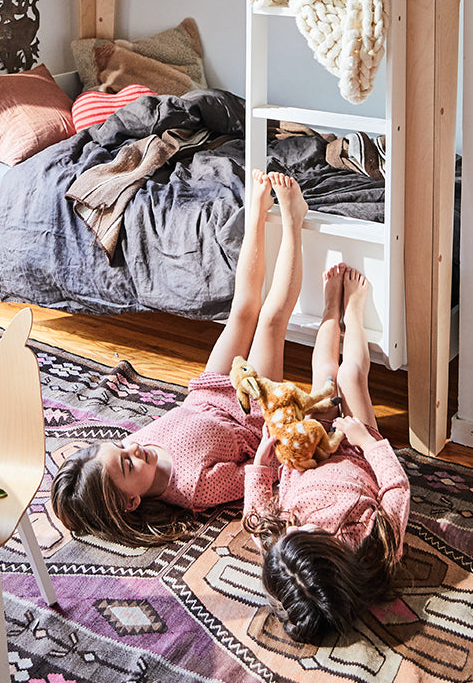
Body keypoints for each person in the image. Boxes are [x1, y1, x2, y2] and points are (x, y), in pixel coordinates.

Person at [50, 168, 314, 546]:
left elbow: (181, 424)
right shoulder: (195, 488)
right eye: (128, 463)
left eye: (122, 446)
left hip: (208, 393)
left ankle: (257, 213)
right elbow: (259, 473)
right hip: (250, 415)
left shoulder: (135, 449)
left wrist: (128, 458)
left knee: (241, 309)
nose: (134, 448)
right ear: (132, 501)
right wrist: (279, 429)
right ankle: (293, 219)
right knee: (271, 321)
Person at [243, 264, 410, 644]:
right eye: (309, 532)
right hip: (356, 452)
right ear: (335, 557)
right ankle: (353, 312)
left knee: (325, 379)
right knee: (350, 376)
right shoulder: (375, 550)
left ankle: (328, 311)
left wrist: (261, 463)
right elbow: (397, 490)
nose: (297, 525)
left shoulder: (283, 553)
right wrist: (366, 441)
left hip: (305, 450)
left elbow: (255, 516)